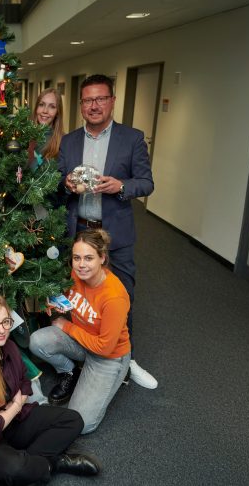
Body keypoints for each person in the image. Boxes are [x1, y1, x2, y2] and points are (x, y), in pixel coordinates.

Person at [58, 73, 158, 390]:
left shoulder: (132, 138)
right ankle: (84, 356)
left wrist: (121, 185)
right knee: (78, 295)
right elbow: (57, 184)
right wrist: (65, 184)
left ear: (112, 101)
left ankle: (125, 361)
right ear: (81, 104)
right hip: (80, 231)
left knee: (122, 297)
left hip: (114, 234)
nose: (94, 105)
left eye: (101, 98)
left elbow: (147, 183)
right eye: (88, 100)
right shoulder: (70, 140)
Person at [0, 289, 100, 485]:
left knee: (73, 420)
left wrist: (11, 407)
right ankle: (53, 463)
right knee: (18, 469)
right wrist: (15, 405)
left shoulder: (9, 347)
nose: (1, 330)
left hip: (11, 421)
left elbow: (24, 382)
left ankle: (26, 465)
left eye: (6, 322)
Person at [29, 229, 130, 434]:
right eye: (77, 258)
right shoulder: (76, 274)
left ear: (102, 258)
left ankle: (120, 372)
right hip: (82, 341)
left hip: (108, 356)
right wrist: (54, 303)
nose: (81, 264)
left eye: (88, 258)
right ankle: (71, 370)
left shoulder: (114, 296)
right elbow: (68, 298)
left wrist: (66, 326)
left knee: (81, 424)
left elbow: (104, 347)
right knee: (37, 341)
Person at [28, 88, 66, 169]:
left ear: (57, 112)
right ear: (36, 108)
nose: (45, 111)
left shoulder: (63, 142)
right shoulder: (25, 135)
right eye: (41, 105)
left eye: (52, 107)